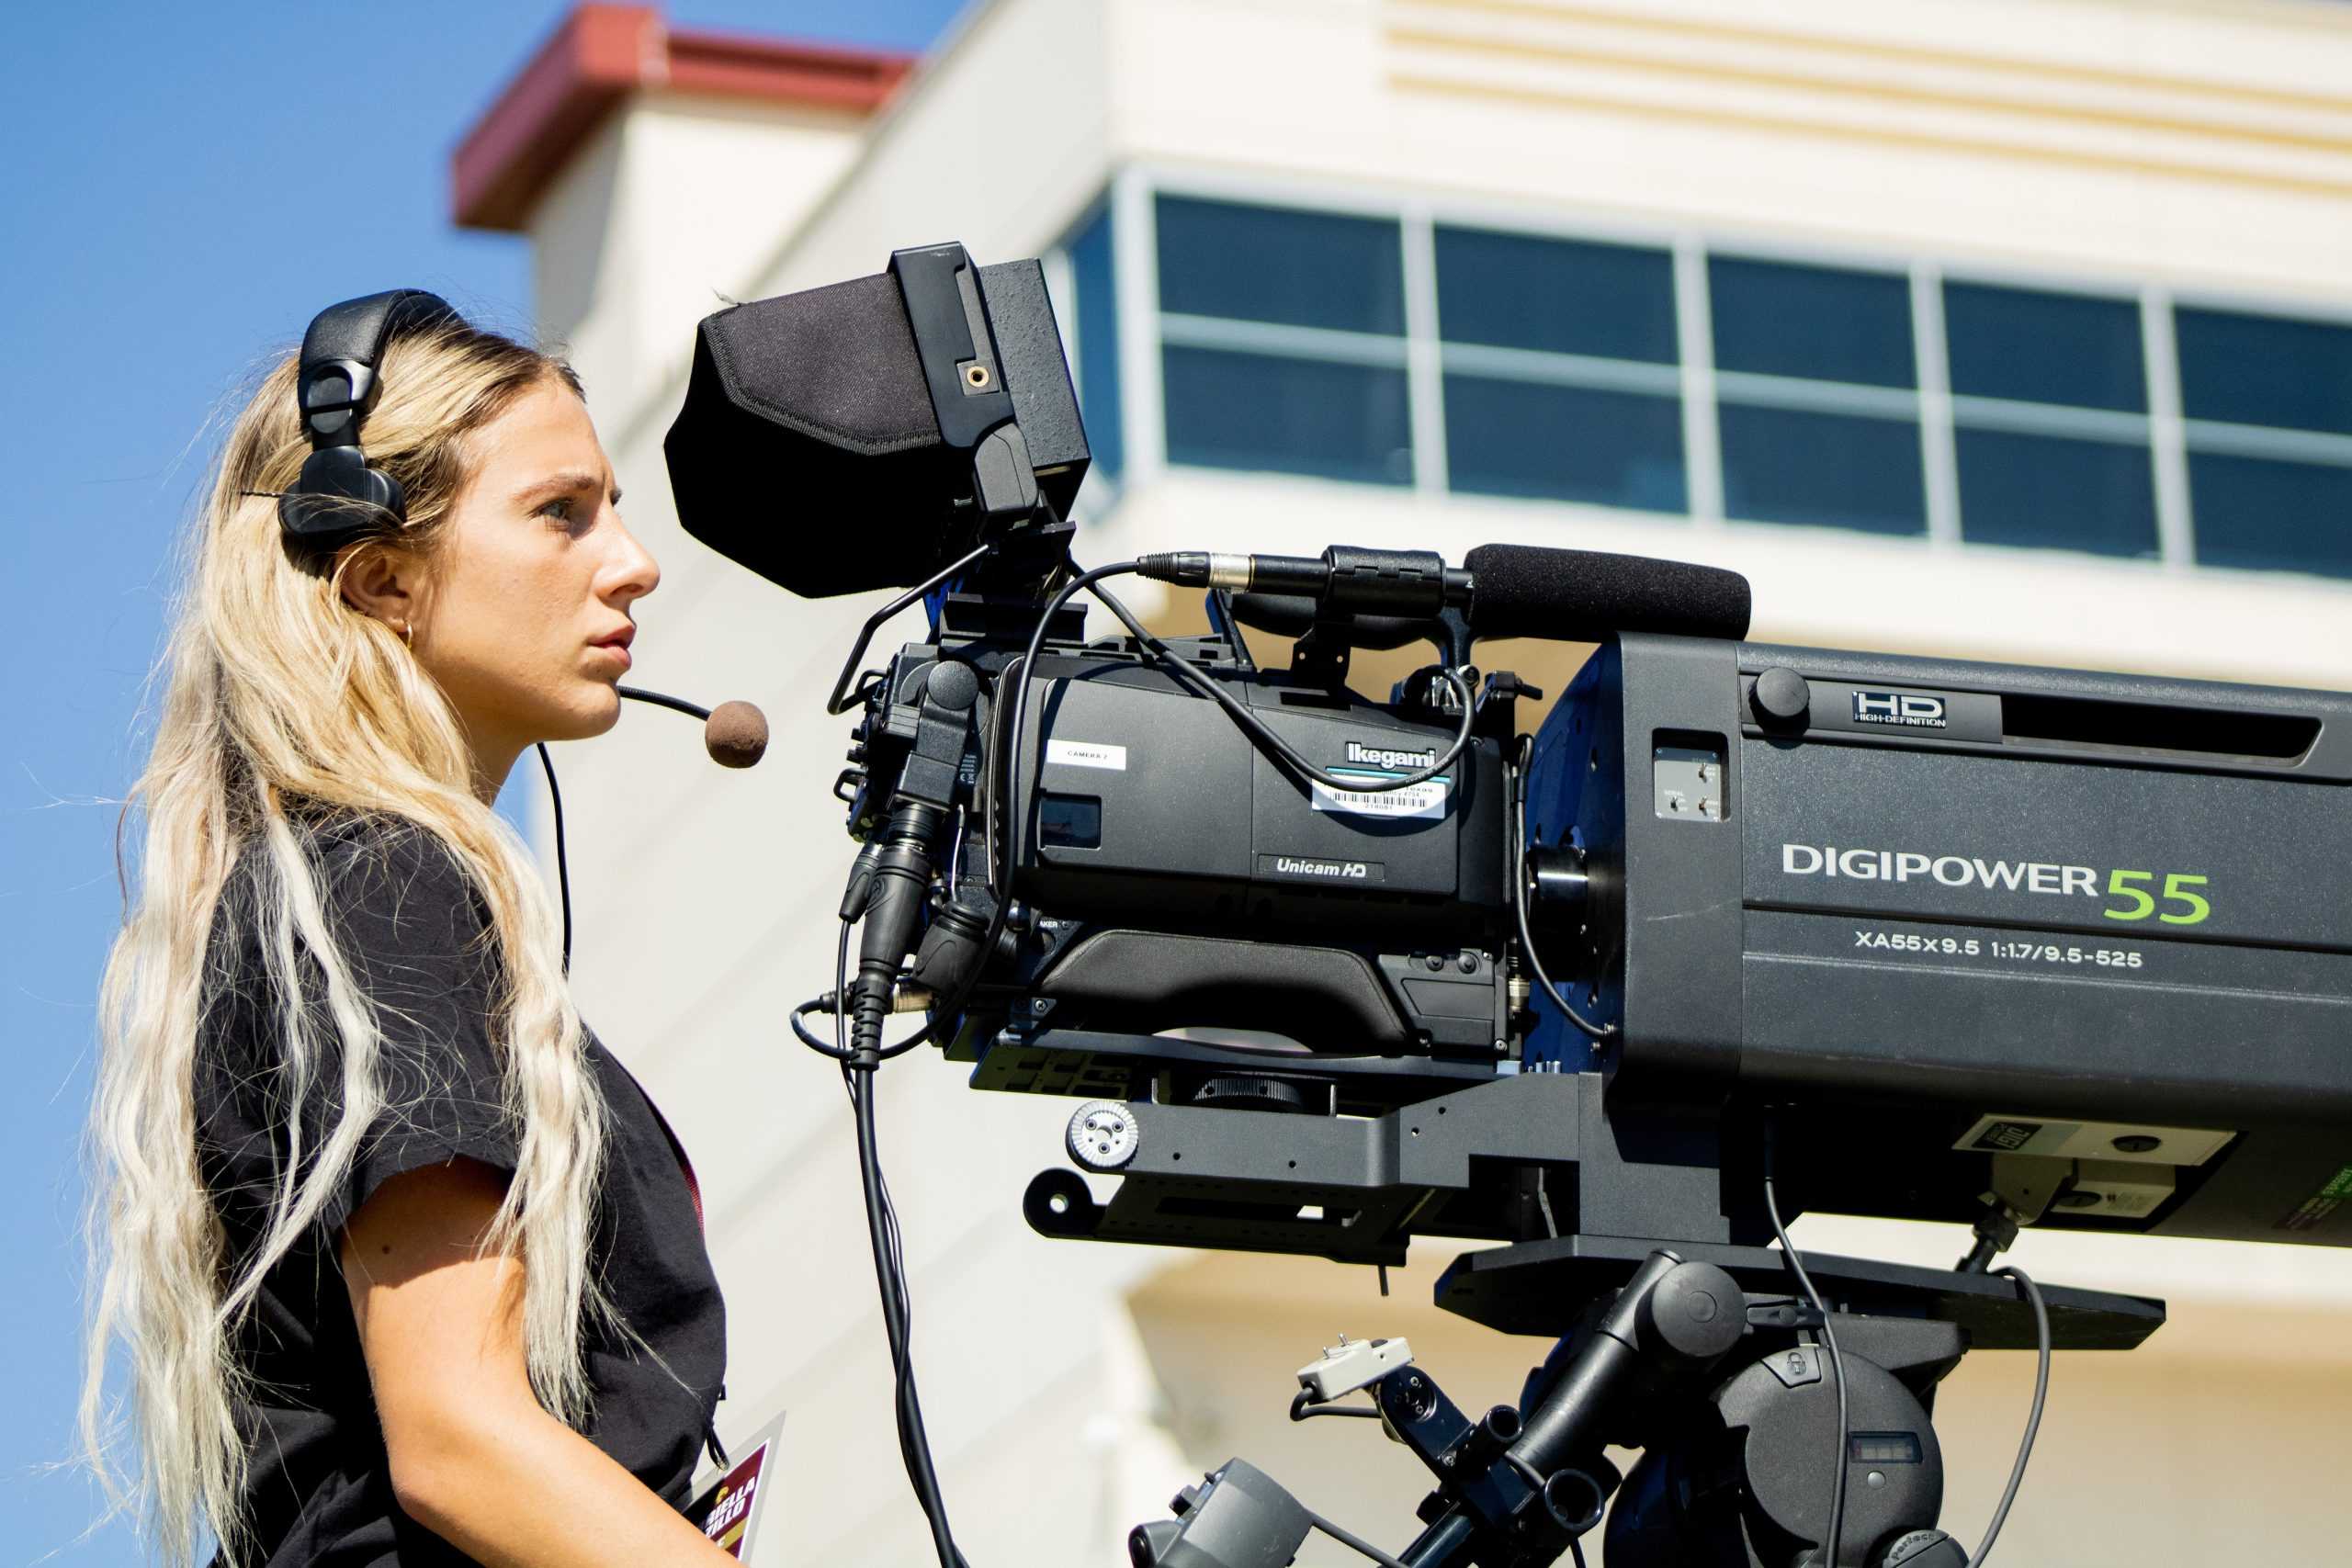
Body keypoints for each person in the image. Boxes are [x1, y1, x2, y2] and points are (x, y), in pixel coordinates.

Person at [80, 298, 741, 1567]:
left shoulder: (335, 889)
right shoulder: (388, 883)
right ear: (380, 577)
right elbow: (459, 1440)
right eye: (563, 513)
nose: (633, 562)